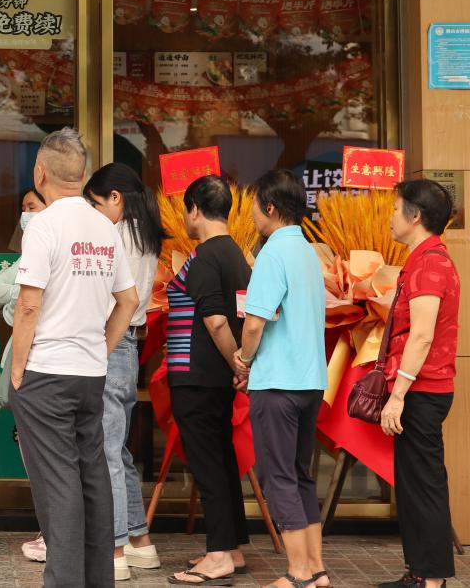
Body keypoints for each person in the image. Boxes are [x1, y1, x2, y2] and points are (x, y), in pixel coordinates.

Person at [9, 129, 140, 588]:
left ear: (40, 173)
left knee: (57, 483)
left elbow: (28, 304)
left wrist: (18, 368)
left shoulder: (43, 225)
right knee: (91, 477)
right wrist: (101, 349)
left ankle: (63, 581)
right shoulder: (104, 226)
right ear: (83, 175)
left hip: (46, 371)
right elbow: (129, 300)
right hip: (89, 374)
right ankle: (97, 579)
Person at [235, 170, 329, 588]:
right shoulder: (308, 251)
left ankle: (298, 572)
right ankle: (317, 568)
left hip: (277, 383)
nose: (252, 215)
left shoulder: (272, 253)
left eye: (255, 206)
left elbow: (254, 323)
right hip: (310, 380)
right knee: (300, 474)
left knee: (279, 477)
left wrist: (243, 359)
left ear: (270, 208)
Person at [165, 175, 251, 585]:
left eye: (186, 210)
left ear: (195, 209)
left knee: (207, 463)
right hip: (215, 377)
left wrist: (237, 364)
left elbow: (216, 321)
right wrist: (239, 364)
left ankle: (218, 555)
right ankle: (231, 547)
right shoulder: (236, 255)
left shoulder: (203, 257)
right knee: (221, 458)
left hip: (195, 373)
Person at [84, 163, 164, 582]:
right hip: (130, 345)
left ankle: (113, 549)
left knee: (106, 451)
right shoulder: (145, 234)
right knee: (120, 449)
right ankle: (139, 541)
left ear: (115, 197)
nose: (94, 213)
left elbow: (110, 299)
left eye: (96, 203)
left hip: (110, 341)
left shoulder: (115, 236)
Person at [378, 180, 460, 588]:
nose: (390, 218)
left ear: (415, 216)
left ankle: (433, 579)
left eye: (396, 210)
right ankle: (420, 572)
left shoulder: (429, 264)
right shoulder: (424, 259)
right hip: (419, 387)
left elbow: (422, 336)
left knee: (424, 485)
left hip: (421, 390)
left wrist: (397, 395)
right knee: (412, 485)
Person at [0, 188, 49, 565]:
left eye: (32, 207)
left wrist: (18, 296)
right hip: (52, 364)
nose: (26, 214)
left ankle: (54, 533)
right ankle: (53, 530)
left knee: (47, 453)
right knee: (38, 450)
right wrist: (18, 292)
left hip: (42, 362)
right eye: (23, 208)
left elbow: (27, 305)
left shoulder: (48, 248)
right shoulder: (29, 252)